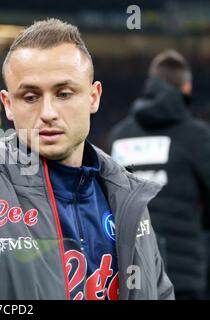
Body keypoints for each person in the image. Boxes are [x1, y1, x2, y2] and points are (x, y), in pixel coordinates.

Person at [0, 18, 174, 300]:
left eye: (64, 93)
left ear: (94, 97)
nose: (48, 113)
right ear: (8, 105)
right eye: (30, 97)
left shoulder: (128, 198)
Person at [108, 49, 210, 300]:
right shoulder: (197, 136)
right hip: (183, 274)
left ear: (150, 86)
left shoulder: (119, 136)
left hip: (131, 274)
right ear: (186, 88)